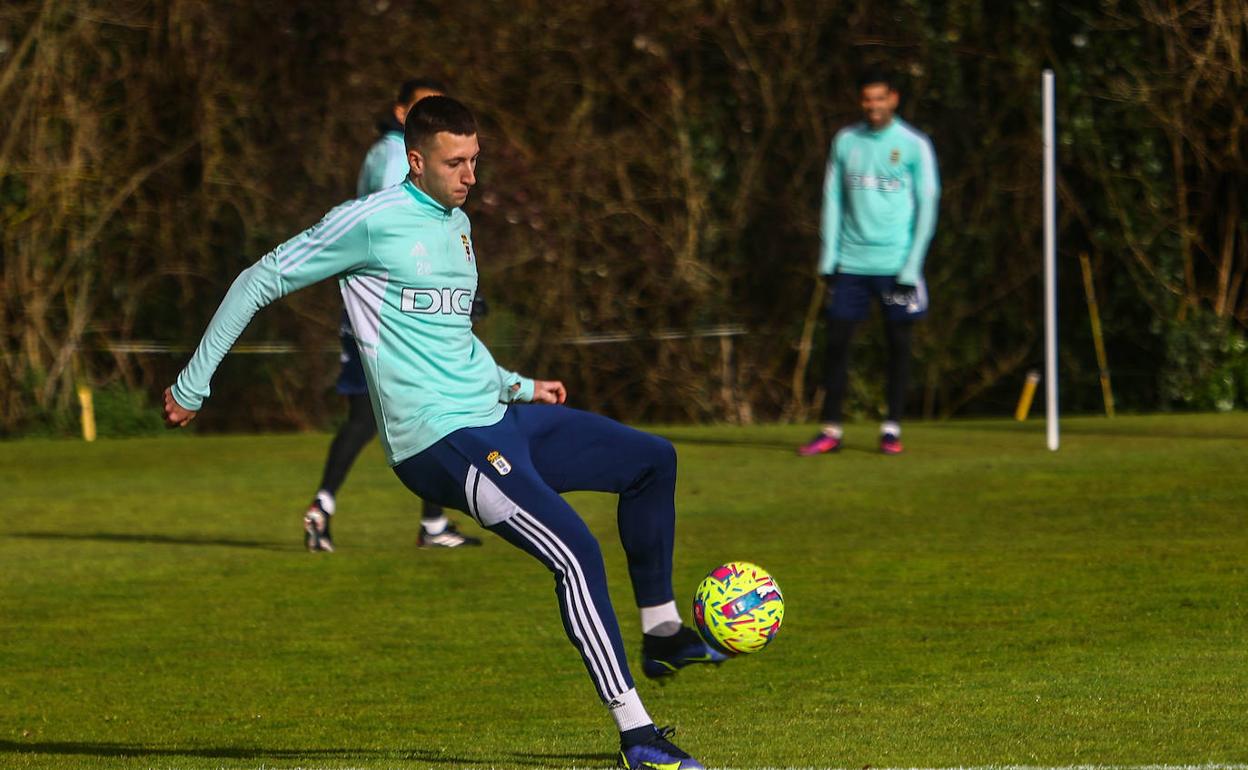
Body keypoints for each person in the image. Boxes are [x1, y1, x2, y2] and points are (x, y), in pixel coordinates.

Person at [162, 96, 718, 770]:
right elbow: (257, 281)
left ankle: (661, 632)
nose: (471, 175)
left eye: (476, 160)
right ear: (415, 159)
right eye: (456, 162)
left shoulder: (455, 224)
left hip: (496, 418)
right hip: (435, 443)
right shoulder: (369, 223)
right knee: (574, 552)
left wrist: (519, 386)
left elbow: (450, 340)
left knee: (651, 461)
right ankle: (637, 735)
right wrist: (194, 384)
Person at [304, 77, 484, 552]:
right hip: (385, 313)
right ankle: (330, 508)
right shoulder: (392, 159)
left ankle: (424, 522)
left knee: (397, 413)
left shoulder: (384, 152)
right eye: (424, 109)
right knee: (396, 414)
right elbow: (399, 234)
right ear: (402, 114)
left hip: (384, 307)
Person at [799, 66, 940, 456]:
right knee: (838, 344)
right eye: (867, 99)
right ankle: (831, 429)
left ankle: (891, 428)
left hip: (896, 266)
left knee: (897, 346)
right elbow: (832, 200)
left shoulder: (913, 144)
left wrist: (912, 265)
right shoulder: (846, 141)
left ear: (893, 99)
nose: (873, 106)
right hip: (850, 265)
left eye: (880, 98)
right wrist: (829, 257)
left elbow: (928, 204)